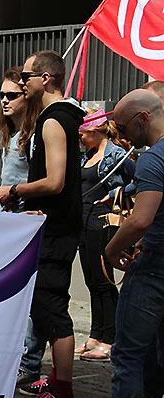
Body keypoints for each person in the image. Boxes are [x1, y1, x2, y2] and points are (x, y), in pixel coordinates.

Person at [0, 51, 85, 398]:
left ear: (45, 78)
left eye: (27, 76)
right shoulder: (67, 115)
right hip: (56, 223)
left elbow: (56, 181)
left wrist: (12, 191)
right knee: (45, 307)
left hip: (56, 228)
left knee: (52, 310)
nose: (22, 82)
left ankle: (63, 392)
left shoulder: (53, 120)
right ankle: (57, 378)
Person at [73, 89, 164, 398]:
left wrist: (111, 250)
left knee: (127, 353)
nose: (123, 136)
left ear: (143, 118)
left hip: (154, 270)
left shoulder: (151, 160)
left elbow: (141, 217)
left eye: (124, 127)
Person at [72, 110, 135, 362]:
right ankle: (95, 334)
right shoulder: (86, 156)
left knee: (103, 281)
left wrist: (117, 193)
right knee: (91, 281)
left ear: (97, 132)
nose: (81, 139)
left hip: (103, 223)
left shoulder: (116, 156)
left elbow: (137, 180)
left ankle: (111, 338)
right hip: (84, 224)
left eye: (83, 134)